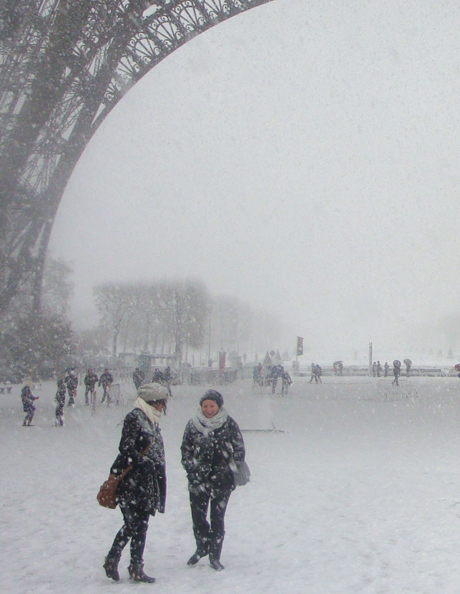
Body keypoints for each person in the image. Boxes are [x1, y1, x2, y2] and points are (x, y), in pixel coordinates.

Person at [103, 382, 169, 583]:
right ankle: (113, 559)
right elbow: (126, 447)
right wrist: (144, 462)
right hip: (132, 482)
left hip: (146, 483)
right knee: (132, 524)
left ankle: (136, 567)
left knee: (141, 525)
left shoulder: (150, 418)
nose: (163, 407)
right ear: (154, 401)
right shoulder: (136, 417)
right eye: (162, 403)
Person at [181, 390, 245, 571]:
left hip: (222, 480)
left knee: (217, 518)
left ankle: (215, 555)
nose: (209, 410)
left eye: (212, 406)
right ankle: (202, 547)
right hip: (197, 479)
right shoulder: (193, 424)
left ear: (219, 406)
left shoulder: (229, 424)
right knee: (198, 517)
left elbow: (239, 448)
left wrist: (230, 468)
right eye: (205, 406)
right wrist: (192, 468)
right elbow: (185, 449)